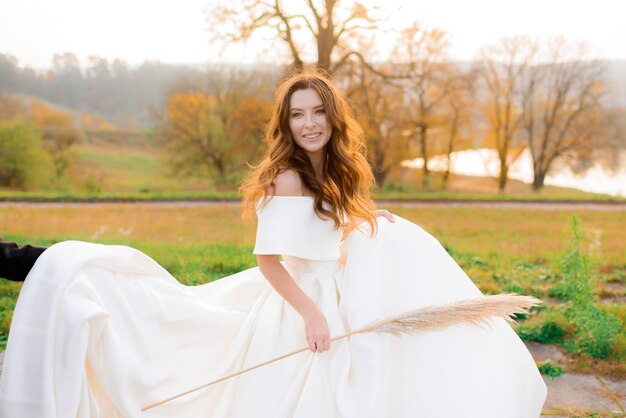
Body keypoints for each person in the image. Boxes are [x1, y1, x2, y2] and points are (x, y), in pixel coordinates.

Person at [0, 72, 547, 417]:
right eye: (298, 114)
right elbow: (269, 260)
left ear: (333, 117)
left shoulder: (334, 168)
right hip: (303, 303)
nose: (309, 124)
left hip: (340, 293)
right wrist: (311, 315)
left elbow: (325, 226)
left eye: (317, 112)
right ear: (287, 123)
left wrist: (364, 216)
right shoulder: (287, 176)